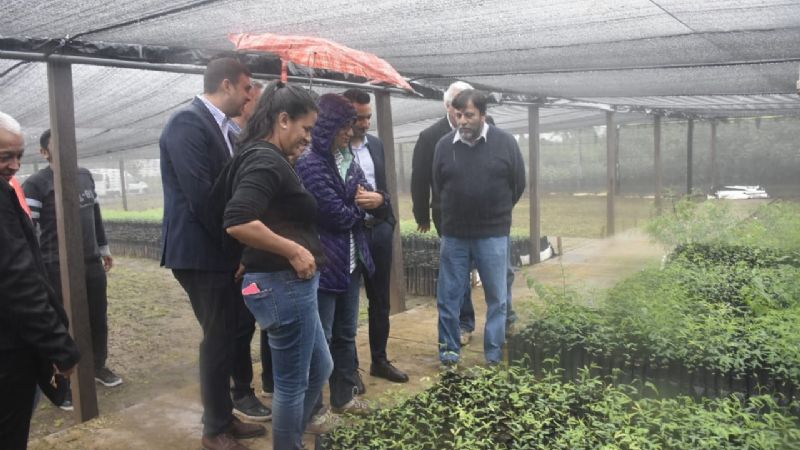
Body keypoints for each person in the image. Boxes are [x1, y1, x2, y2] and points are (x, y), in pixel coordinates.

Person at [159, 57, 265, 450]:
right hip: (199, 251)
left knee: (230, 333)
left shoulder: (221, 128)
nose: (251, 95)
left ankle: (223, 415)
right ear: (226, 85)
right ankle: (214, 430)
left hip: (217, 249)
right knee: (218, 337)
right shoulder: (187, 123)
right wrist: (234, 246)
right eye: (247, 87)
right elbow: (202, 197)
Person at [224, 81, 333, 450]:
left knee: (321, 368)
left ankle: (290, 441)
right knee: (291, 384)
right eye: (306, 129)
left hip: (275, 282)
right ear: (283, 119)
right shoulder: (265, 159)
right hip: (282, 285)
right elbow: (238, 218)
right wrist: (293, 251)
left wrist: (249, 256)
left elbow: (261, 216)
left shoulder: (262, 156)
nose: (309, 138)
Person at [295, 93, 390, 414]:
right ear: (327, 127)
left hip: (351, 264)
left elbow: (376, 200)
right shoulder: (309, 164)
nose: (351, 132)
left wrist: (377, 201)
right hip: (324, 265)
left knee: (346, 334)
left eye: (353, 125)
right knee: (318, 340)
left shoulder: (347, 158)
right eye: (345, 126)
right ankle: (313, 409)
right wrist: (362, 205)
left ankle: (343, 397)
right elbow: (335, 215)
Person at [23, 130, 121, 413]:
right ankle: (61, 382)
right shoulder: (36, 184)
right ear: (45, 153)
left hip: (90, 262)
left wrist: (103, 249)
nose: (68, 148)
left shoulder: (85, 176)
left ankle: (96, 366)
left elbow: (96, 214)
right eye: (59, 145)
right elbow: (31, 232)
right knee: (61, 323)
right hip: (55, 266)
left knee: (96, 316)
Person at [0, 111, 80, 450]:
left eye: (19, 155)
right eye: (6, 156)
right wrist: (60, 347)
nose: (15, 165)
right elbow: (17, 279)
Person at [433, 90, 526, 366]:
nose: (463, 121)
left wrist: (496, 213)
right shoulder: (443, 145)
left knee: (497, 297)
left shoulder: (505, 143)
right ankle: (448, 351)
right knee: (448, 296)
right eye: (459, 115)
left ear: (483, 114)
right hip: (455, 235)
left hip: (493, 234)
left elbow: (518, 184)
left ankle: (493, 354)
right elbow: (438, 185)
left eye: (469, 115)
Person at [341, 88, 409, 385]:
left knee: (380, 300)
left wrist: (381, 203)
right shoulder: (334, 151)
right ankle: (349, 369)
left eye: (369, 118)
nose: (366, 123)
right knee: (348, 304)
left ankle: (379, 360)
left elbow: (385, 188)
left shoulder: (376, 146)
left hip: (377, 231)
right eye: (359, 118)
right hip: (350, 235)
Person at [410, 81, 478, 345]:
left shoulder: (486, 126)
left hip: (484, 215)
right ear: (447, 106)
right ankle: (463, 323)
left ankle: (505, 318)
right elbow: (420, 177)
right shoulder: (431, 136)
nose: (463, 111)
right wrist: (421, 215)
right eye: (457, 105)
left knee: (489, 266)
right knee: (458, 270)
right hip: (447, 215)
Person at [229, 80, 276, 418]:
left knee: (266, 321)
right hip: (243, 254)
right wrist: (244, 254)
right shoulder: (239, 144)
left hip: (261, 252)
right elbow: (239, 212)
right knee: (240, 324)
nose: (256, 107)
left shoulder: (259, 144)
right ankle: (240, 391)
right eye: (254, 100)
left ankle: (269, 381)